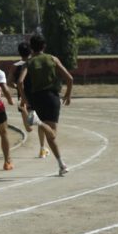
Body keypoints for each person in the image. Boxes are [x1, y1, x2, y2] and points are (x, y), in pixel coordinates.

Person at [18, 33, 73, 176]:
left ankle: (61, 164)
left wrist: (24, 99)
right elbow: (70, 78)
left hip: (36, 98)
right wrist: (68, 94)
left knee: (50, 135)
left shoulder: (29, 62)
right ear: (44, 46)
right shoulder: (52, 59)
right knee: (52, 134)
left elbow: (20, 82)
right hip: (52, 97)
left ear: (31, 47)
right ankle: (39, 123)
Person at [8, 41, 49, 159]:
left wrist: (18, 87)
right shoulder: (34, 63)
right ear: (31, 51)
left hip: (23, 97)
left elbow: (9, 82)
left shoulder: (15, 66)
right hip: (37, 95)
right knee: (41, 123)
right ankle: (42, 149)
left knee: (28, 128)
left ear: (19, 52)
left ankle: (25, 111)